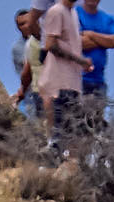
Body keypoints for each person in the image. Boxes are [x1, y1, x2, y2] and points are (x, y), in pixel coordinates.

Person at [37, 0, 89, 143]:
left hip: (72, 81)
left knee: (71, 129)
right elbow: (51, 45)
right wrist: (79, 60)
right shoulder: (56, 11)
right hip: (59, 81)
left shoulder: (73, 13)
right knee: (59, 130)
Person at [75, 0, 114, 119]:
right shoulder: (75, 15)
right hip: (77, 80)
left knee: (96, 121)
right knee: (76, 120)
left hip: (98, 80)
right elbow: (78, 42)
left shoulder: (107, 19)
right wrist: (104, 42)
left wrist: (91, 34)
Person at [10, 8, 42, 118]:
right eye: (22, 24)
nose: (26, 26)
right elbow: (25, 74)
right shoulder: (18, 48)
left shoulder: (46, 39)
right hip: (32, 95)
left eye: (28, 22)